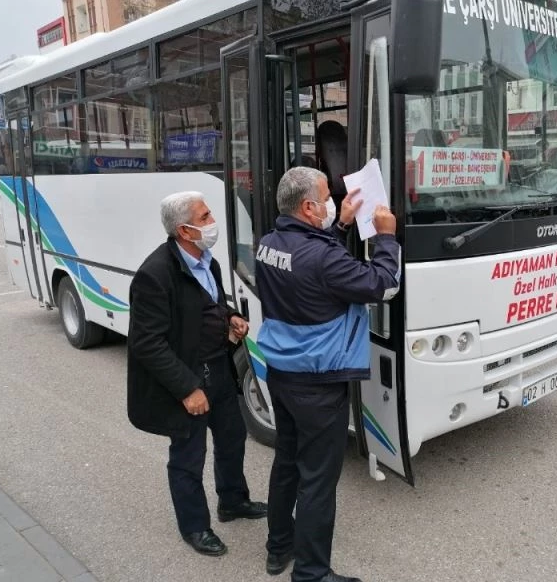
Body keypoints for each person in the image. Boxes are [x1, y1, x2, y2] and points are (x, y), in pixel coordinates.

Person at [256, 167, 400, 582]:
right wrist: (385, 237)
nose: (332, 200)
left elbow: (313, 268)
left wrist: (340, 225)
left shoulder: (269, 243)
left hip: (282, 374)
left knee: (287, 462)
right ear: (307, 207)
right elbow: (382, 284)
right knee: (317, 481)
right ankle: (312, 574)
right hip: (319, 382)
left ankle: (277, 548)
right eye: (326, 197)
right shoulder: (321, 257)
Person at [127, 191, 266, 557]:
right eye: (204, 218)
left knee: (233, 438)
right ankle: (194, 527)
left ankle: (233, 501)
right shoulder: (155, 274)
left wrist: (230, 318)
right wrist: (188, 388)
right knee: (189, 457)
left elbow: (211, 304)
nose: (212, 222)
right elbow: (147, 343)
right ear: (184, 230)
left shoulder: (208, 262)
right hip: (187, 379)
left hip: (218, 368)